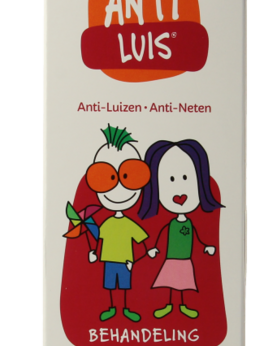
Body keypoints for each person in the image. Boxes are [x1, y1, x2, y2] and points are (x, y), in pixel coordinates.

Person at [138, 140, 223, 319]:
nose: (179, 190)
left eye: (186, 178)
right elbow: (162, 236)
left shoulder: (189, 224)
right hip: (171, 258)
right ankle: (169, 305)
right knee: (170, 282)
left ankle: (183, 306)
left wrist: (206, 246)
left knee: (183, 283)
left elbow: (196, 238)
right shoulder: (171, 224)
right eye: (170, 180)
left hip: (185, 259)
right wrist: (154, 248)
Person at [86, 125, 151, 322]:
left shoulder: (129, 224)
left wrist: (137, 260)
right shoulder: (106, 222)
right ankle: (112, 308)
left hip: (125, 261)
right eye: (104, 177)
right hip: (109, 260)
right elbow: (99, 238)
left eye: (130, 176)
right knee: (110, 286)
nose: (118, 187)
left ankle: (125, 309)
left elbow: (143, 242)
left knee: (123, 287)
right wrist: (94, 252)